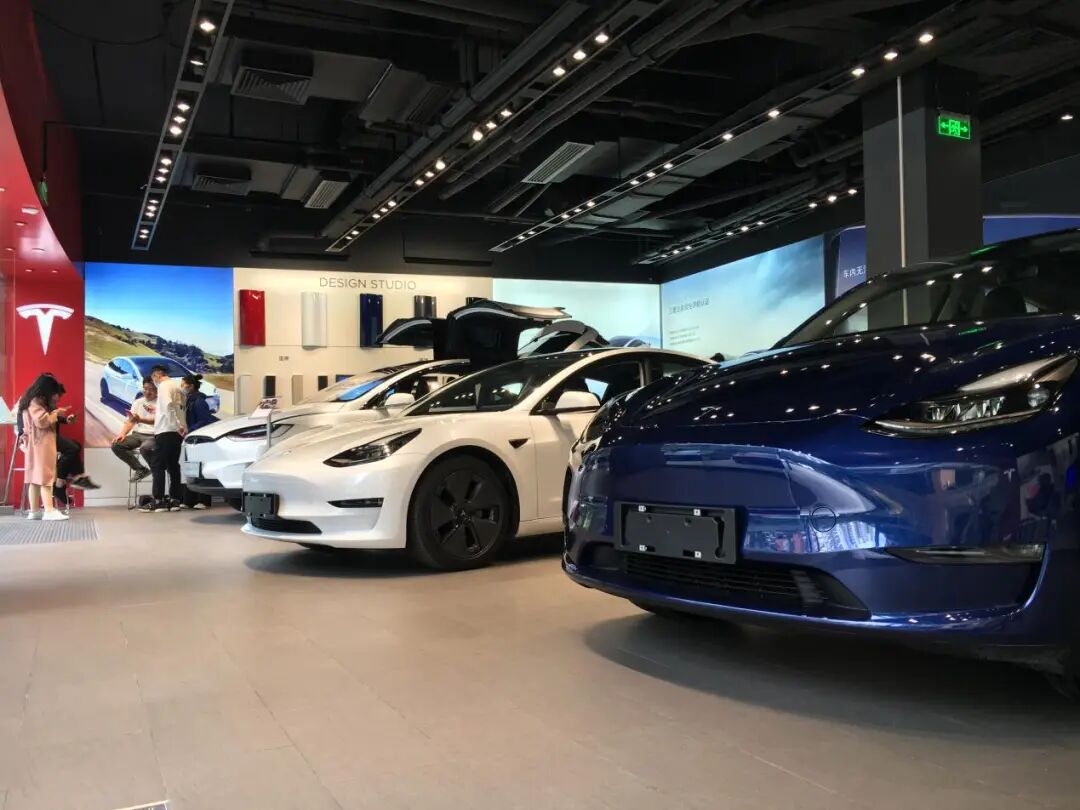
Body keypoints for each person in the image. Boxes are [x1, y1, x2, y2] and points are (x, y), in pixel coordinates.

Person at [18, 374, 70, 521]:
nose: (54, 395)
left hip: (34, 445)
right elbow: (41, 421)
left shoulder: (28, 401)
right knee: (46, 477)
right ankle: (49, 510)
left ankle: (34, 511)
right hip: (42, 445)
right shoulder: (36, 402)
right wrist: (56, 413)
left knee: (34, 479)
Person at [141, 363, 186, 513]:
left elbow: (167, 406)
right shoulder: (176, 387)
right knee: (173, 466)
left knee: (157, 465)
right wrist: (157, 410)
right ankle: (175, 500)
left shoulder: (163, 386)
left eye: (153, 378)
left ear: (156, 375)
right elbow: (176, 408)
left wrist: (175, 425)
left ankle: (158, 500)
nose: (154, 382)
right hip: (177, 433)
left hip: (166, 430)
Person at [180, 374, 216, 510]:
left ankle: (203, 500)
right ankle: (189, 500)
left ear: (190, 386)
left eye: (183, 385)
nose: (181, 387)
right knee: (190, 469)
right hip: (191, 438)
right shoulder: (188, 400)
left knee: (200, 469)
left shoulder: (199, 401)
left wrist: (189, 430)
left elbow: (204, 420)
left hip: (199, 439)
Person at [111, 378, 157, 481]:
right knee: (116, 445)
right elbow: (130, 421)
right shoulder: (138, 402)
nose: (147, 392)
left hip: (154, 435)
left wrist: (139, 419)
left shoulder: (161, 403)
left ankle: (157, 470)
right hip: (137, 434)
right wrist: (122, 434)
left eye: (151, 389)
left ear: (157, 390)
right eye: (145, 389)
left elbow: (158, 421)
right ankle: (140, 469)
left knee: (145, 448)